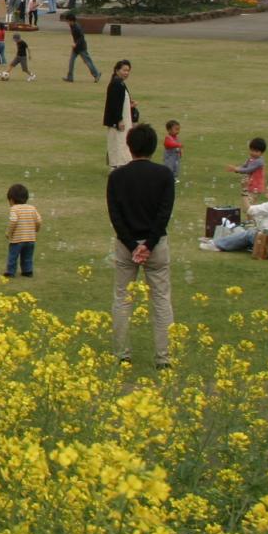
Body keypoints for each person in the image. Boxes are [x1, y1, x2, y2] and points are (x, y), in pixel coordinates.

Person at [107, 123, 175, 367]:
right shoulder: (164, 175)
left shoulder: (116, 177)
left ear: (129, 145)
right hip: (155, 244)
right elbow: (164, 213)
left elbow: (115, 215)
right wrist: (149, 243)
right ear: (154, 147)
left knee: (123, 298)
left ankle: (122, 354)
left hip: (127, 244)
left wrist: (132, 244)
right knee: (161, 299)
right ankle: (163, 357)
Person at [212, 175, 268, 253]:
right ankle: (223, 242)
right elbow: (256, 220)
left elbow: (248, 210)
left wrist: (244, 190)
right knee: (249, 231)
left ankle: (217, 244)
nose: (267, 188)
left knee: (250, 233)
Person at [5, 183, 42, 278]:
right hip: (30, 239)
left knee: (13, 256)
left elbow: (13, 220)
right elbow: (39, 220)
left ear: (11, 200)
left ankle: (10, 272)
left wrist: (9, 232)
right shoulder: (32, 208)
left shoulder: (14, 209)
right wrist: (36, 230)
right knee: (27, 257)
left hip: (17, 240)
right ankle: (27, 271)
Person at [103, 60, 134, 169]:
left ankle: (120, 163)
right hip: (118, 120)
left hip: (123, 118)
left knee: (121, 140)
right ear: (117, 70)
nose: (126, 73)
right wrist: (118, 120)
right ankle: (117, 165)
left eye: (128, 70)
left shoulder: (120, 83)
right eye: (124, 70)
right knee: (118, 141)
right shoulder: (116, 84)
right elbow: (114, 104)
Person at [63, 12, 101, 84]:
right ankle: (70, 77)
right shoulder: (72, 26)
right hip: (76, 48)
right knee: (71, 61)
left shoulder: (77, 27)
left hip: (81, 47)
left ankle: (97, 74)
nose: (67, 23)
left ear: (71, 20)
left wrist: (76, 44)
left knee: (87, 62)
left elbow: (81, 37)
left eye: (68, 21)